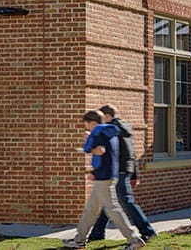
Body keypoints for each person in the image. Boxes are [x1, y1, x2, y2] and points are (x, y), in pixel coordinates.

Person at [63, 110, 145, 250]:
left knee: (112, 209)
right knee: (91, 209)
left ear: (92, 122)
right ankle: (79, 240)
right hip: (106, 175)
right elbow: (108, 156)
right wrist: (95, 172)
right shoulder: (109, 133)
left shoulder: (99, 132)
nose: (86, 127)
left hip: (104, 178)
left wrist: (86, 146)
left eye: (86, 124)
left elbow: (100, 151)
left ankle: (134, 239)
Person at [89, 105, 156, 242]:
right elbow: (132, 153)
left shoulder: (111, 130)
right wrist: (134, 174)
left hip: (117, 171)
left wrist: (97, 171)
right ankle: (97, 233)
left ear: (108, 116)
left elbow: (109, 154)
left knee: (126, 201)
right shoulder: (125, 128)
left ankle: (147, 231)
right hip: (125, 169)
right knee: (109, 201)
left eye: (102, 117)